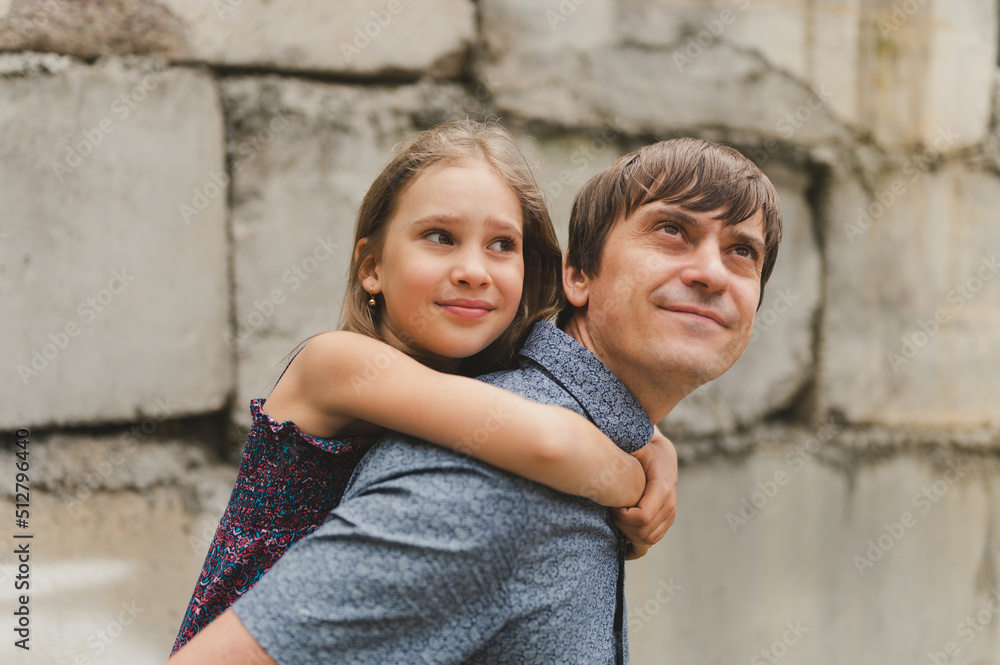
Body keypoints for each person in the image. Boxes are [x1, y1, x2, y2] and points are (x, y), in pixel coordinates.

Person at [168, 135, 779, 664]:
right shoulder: (357, 379)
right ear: (371, 267)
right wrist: (635, 480)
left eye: (742, 251)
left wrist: (652, 447)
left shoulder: (473, 389)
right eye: (672, 231)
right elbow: (551, 442)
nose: (472, 271)